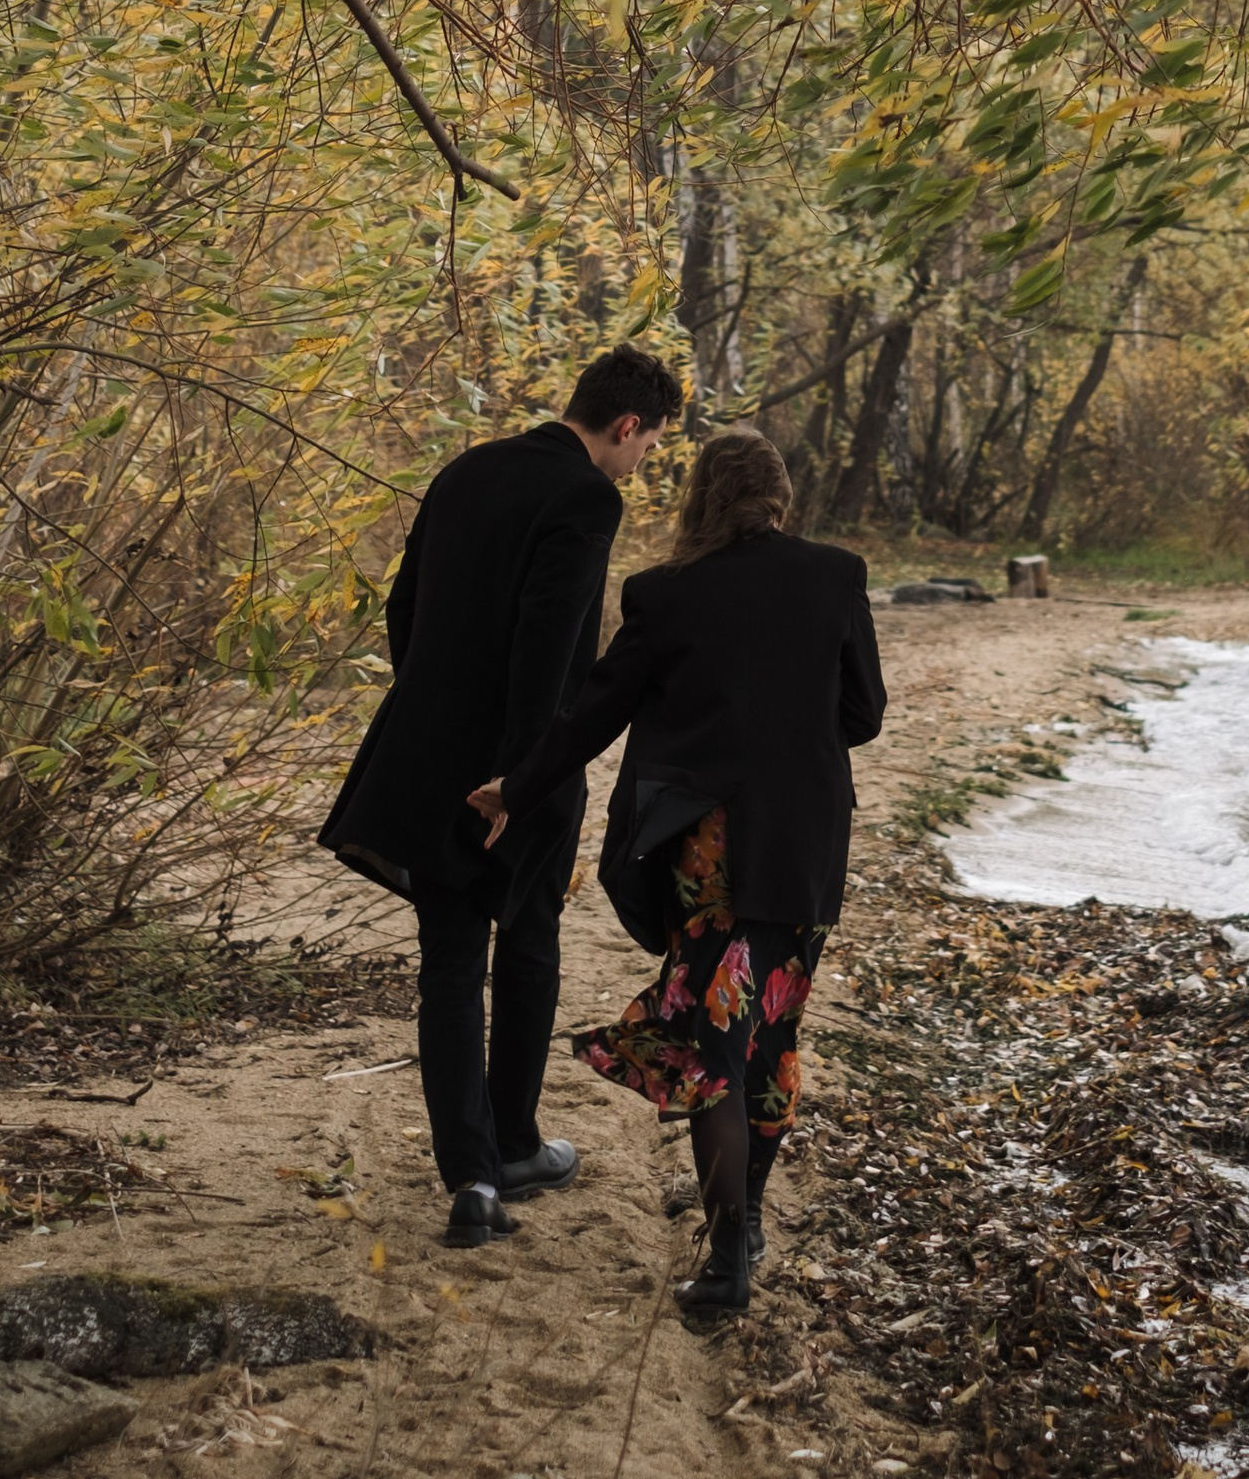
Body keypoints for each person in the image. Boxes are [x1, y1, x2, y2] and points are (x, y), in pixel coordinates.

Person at [472, 428, 885, 1327]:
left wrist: (517, 785)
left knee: (712, 1046)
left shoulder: (665, 593)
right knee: (769, 1034)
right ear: (779, 498)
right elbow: (865, 714)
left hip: (710, 854)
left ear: (702, 499)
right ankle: (747, 1227)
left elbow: (594, 714)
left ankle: (730, 1247)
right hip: (803, 846)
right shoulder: (835, 575)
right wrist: (789, 732)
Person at [318, 344, 684, 1246]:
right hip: (520, 769)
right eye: (649, 446)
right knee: (526, 943)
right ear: (627, 424)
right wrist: (520, 779)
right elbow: (550, 642)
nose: (640, 464)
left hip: (425, 751)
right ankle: (515, 1144)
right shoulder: (588, 497)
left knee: (447, 959)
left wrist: (439, 708)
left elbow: (405, 609)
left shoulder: (467, 469)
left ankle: (470, 1178)